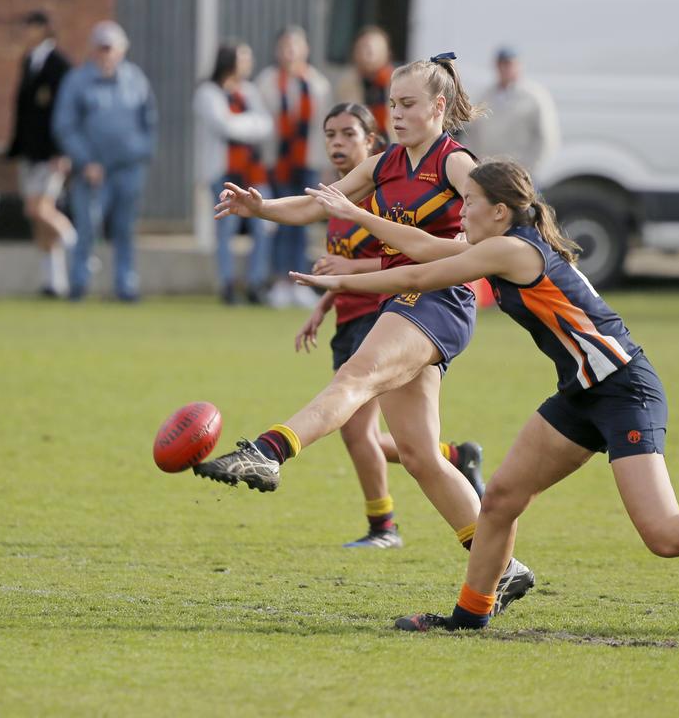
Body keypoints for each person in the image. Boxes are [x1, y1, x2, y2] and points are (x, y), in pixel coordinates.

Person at [292, 158, 679, 632]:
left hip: (625, 390)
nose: (460, 208)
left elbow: (424, 272)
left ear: (498, 211)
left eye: (468, 201)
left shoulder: (512, 248)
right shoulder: (503, 244)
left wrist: (351, 249)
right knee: (498, 501)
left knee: (669, 537)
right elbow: (426, 250)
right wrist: (356, 246)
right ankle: (469, 617)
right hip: (581, 393)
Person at [195, 54, 535, 611]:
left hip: (440, 298)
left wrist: (456, 256)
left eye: (407, 105)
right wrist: (259, 209)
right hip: (411, 295)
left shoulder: (456, 163)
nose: (396, 115)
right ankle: (505, 566)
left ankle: (267, 452)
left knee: (356, 374)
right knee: (420, 454)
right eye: (392, 105)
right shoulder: (385, 163)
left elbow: (489, 236)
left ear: (438, 107)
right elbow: (316, 206)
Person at [296, 101, 485, 548]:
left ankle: (383, 526)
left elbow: (400, 257)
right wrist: (324, 305)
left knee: (358, 431)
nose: (338, 143)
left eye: (348, 134)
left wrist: (348, 268)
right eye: (330, 134)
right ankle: (455, 458)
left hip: (389, 313)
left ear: (371, 142)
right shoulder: (343, 200)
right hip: (353, 317)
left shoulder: (385, 198)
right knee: (391, 440)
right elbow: (343, 267)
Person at [52, 21, 157, 302]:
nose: (107, 54)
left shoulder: (135, 79)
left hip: (128, 169)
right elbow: (65, 126)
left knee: (125, 230)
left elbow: (149, 122)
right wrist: (85, 161)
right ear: (93, 50)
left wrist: (141, 153)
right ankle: (79, 284)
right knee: (87, 227)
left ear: (122, 50)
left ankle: (126, 285)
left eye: (112, 48)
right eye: (102, 48)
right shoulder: (77, 81)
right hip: (92, 171)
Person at [255, 25, 331, 308]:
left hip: (307, 162)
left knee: (303, 222)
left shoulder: (317, 84)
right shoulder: (267, 82)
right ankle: (278, 280)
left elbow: (323, 129)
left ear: (305, 49)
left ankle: (299, 280)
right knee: (278, 220)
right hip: (277, 162)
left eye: (295, 45)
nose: (290, 51)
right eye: (285, 45)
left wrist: (324, 164)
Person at [193, 41, 274, 305]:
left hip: (253, 172)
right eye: (244, 58)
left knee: (263, 225)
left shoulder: (249, 91)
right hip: (223, 172)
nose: (248, 63)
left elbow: (266, 124)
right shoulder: (208, 93)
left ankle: (256, 282)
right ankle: (226, 284)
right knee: (225, 229)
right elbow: (224, 126)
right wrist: (249, 123)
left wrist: (242, 123)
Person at [6, 10, 75, 298]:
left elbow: (65, 111)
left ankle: (80, 247)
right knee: (37, 221)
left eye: (30, 27)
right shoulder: (28, 61)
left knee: (39, 208)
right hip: (30, 151)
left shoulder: (59, 64)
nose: (25, 32)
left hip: (50, 153)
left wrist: (62, 150)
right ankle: (54, 282)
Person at [462, 47, 560, 178]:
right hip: (488, 173)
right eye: (501, 64)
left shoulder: (534, 97)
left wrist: (528, 169)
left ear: (519, 66)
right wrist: (473, 163)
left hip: (520, 175)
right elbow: (470, 133)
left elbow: (546, 138)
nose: (505, 69)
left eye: (509, 64)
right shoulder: (484, 96)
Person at [334, 26, 395, 136]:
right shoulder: (346, 85)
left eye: (375, 47)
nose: (369, 51)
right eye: (363, 47)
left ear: (387, 52)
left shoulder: (397, 84)